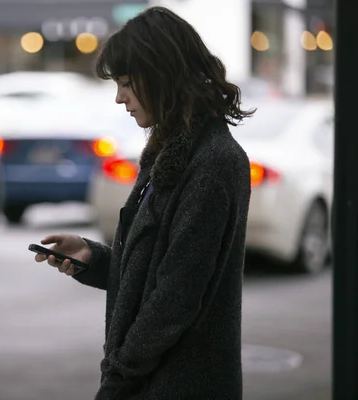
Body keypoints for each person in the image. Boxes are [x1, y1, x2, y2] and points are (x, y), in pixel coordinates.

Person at [33, 6, 254, 400]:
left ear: (162, 75)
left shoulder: (213, 162)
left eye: (127, 83)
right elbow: (155, 270)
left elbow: (175, 299)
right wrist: (94, 258)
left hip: (183, 385)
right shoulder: (170, 150)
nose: (120, 98)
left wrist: (117, 380)